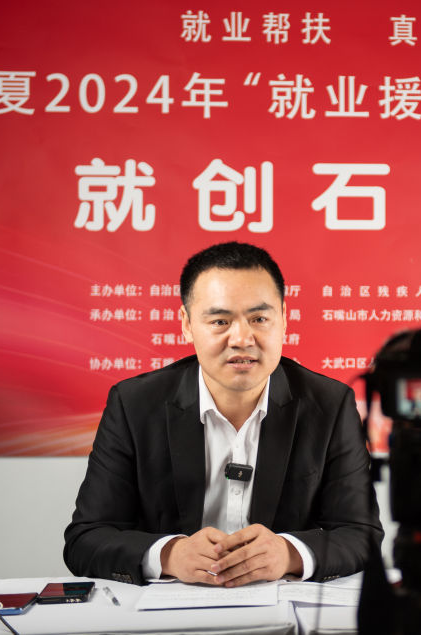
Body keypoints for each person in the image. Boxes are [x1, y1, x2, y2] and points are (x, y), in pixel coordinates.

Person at [63, 242, 382, 586]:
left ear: (284, 319)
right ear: (187, 324)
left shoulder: (330, 404)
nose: (242, 339)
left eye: (259, 319)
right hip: (174, 606)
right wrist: (168, 555)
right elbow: (86, 539)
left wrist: (289, 553)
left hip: (280, 606)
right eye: (220, 321)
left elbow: (361, 533)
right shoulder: (135, 404)